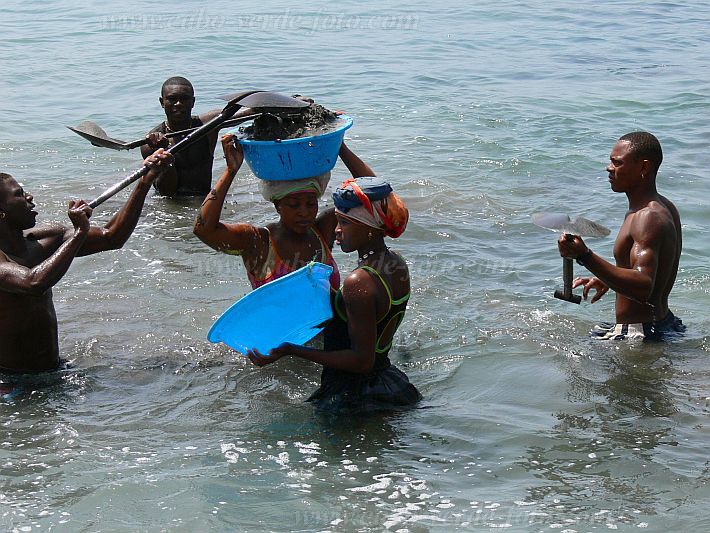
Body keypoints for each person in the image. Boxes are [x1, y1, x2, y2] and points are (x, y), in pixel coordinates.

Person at [246, 174, 422, 411]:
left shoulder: (357, 282)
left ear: (370, 227)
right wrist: (326, 292)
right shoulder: (395, 264)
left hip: (354, 392)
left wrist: (291, 349)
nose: (337, 231)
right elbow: (372, 318)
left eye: (345, 222)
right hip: (386, 381)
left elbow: (361, 361)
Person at [0, 149, 173, 373]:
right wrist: (80, 232)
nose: (29, 197)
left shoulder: (45, 239)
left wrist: (145, 181)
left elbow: (112, 237)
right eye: (19, 194)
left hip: (53, 369)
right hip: (11, 381)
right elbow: (33, 283)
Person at [558, 131, 685, 340]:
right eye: (610, 161)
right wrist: (607, 279)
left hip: (641, 334)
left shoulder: (647, 217)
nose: (609, 168)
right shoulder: (664, 207)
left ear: (644, 167)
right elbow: (653, 272)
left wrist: (584, 256)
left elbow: (644, 285)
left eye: (618, 163)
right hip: (662, 324)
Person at [193, 132, 358, 291]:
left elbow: (376, 200)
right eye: (294, 205)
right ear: (277, 205)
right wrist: (230, 171)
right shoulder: (259, 243)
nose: (304, 212)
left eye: (310, 204)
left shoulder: (323, 230)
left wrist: (338, 145)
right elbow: (204, 229)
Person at [142, 76, 241, 197]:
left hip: (203, 197)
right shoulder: (151, 143)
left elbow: (248, 113)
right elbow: (167, 192)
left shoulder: (208, 125)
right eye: (172, 99)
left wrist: (264, 107)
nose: (178, 104)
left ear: (193, 102)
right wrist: (165, 152)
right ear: (162, 102)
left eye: (184, 99)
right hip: (170, 206)